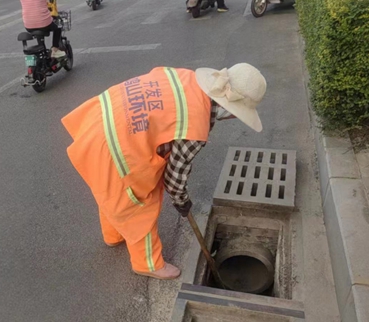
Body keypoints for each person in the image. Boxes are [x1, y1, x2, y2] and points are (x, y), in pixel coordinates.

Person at [62, 64, 266, 280]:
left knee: (112, 193)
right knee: (138, 203)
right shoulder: (195, 125)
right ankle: (147, 263)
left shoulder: (185, 77)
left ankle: (114, 235)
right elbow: (173, 178)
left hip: (99, 120)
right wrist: (182, 201)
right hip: (114, 148)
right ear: (232, 112)